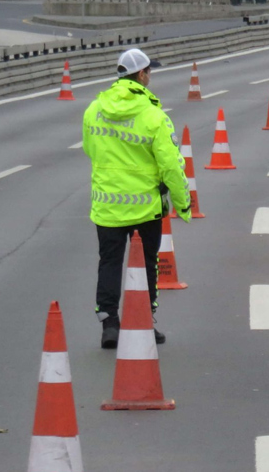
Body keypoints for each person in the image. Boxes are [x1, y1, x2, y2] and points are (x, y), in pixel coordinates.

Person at [82, 48, 191, 348]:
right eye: (149, 72)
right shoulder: (153, 116)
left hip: (107, 206)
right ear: (142, 75)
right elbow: (170, 165)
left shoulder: (94, 109)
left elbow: (90, 149)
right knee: (146, 266)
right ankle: (143, 321)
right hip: (145, 208)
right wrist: (183, 204)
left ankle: (110, 324)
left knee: (110, 262)